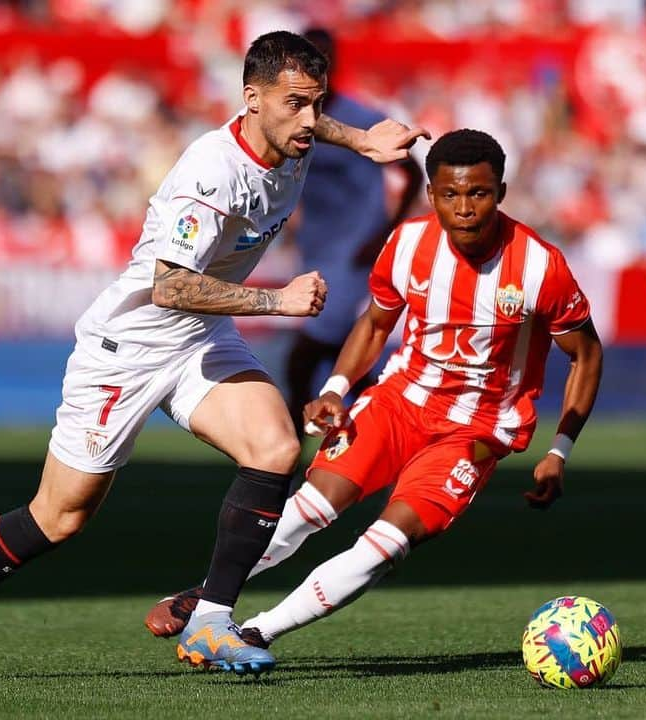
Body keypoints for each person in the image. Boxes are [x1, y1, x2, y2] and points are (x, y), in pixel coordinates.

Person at [0, 30, 429, 684]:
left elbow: (313, 125)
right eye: (295, 104)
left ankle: (211, 621)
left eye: (316, 104)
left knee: (274, 447)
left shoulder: (292, 132)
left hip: (198, 340)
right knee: (60, 518)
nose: (309, 120)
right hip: (132, 347)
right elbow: (169, 285)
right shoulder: (214, 171)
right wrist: (277, 301)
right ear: (250, 99)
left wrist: (364, 139)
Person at [144, 129, 603, 651]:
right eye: (450, 195)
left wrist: (559, 451)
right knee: (309, 508)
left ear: (501, 191)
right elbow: (375, 325)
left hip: (477, 429)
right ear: (431, 195)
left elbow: (586, 354)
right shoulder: (407, 243)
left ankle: (256, 631)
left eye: (478, 193)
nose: (465, 208)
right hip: (399, 401)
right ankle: (212, 599)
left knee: (383, 545)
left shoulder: (541, 267)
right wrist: (337, 389)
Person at [283, 28, 423, 436]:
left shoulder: (360, 117)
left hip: (353, 252)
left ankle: (285, 453)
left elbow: (410, 168)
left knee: (304, 356)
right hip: (315, 250)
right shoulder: (293, 120)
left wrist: (385, 234)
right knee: (343, 351)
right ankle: (378, 430)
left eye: (325, 57)